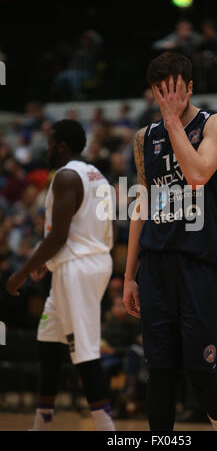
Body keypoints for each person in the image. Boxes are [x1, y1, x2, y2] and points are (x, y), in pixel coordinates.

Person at [123, 51, 217, 431]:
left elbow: (199, 174)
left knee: (200, 371)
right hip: (155, 267)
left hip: (199, 264)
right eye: (160, 91)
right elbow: (142, 207)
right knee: (159, 372)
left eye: (174, 90)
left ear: (190, 87)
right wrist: (128, 276)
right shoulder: (144, 138)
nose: (167, 98)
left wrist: (173, 122)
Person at [6, 120, 115, 431]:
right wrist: (50, 260)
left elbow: (58, 236)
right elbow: (110, 228)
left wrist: (21, 273)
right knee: (49, 343)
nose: (48, 146)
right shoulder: (100, 177)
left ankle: (109, 431)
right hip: (84, 262)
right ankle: (42, 425)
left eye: (51, 141)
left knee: (84, 353)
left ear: (63, 145)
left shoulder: (66, 176)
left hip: (77, 267)